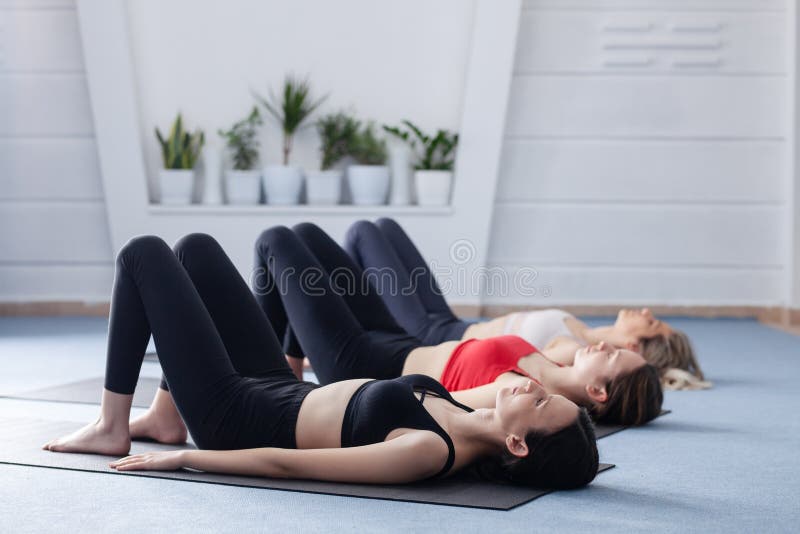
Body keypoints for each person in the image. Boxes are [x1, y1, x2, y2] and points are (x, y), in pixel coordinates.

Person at [43, 233, 598, 489]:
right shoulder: (469, 413)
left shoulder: (430, 451)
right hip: (273, 385)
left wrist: (188, 462)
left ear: (519, 444)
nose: (532, 388)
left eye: (542, 402)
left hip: (235, 415)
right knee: (196, 250)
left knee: (143, 254)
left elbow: (291, 466)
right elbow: (506, 378)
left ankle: (112, 425)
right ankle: (164, 417)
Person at [253, 223, 662, 426]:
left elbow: (440, 413)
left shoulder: (523, 396)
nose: (607, 347)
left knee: (274, 241)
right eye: (615, 347)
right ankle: (286, 372)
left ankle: (270, 384)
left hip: (367, 364)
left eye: (612, 359)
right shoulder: (558, 361)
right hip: (398, 338)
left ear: (597, 390)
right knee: (306, 234)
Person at [344, 218, 707, 389]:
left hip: (428, 336)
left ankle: (335, 329)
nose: (646, 312)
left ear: (634, 347)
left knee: (362, 233)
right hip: (448, 321)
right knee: (385, 227)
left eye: (652, 323)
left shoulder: (576, 353)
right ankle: (337, 326)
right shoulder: (582, 332)